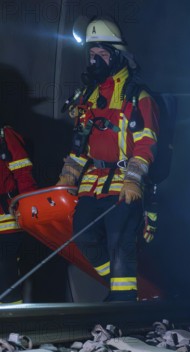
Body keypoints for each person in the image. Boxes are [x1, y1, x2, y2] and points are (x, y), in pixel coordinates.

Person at [56, 18, 159, 302]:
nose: (96, 61)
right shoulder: (88, 97)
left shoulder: (138, 96)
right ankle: (118, 282)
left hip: (125, 183)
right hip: (93, 182)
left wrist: (135, 180)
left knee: (119, 241)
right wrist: (68, 175)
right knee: (83, 235)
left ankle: (123, 305)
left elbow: (147, 143)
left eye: (102, 55)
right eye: (92, 55)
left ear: (117, 55)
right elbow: (80, 144)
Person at [0, 125, 37, 304]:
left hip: (5, 220)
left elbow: (23, 174)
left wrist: (28, 206)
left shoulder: (5, 136)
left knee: (6, 274)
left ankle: (11, 324)